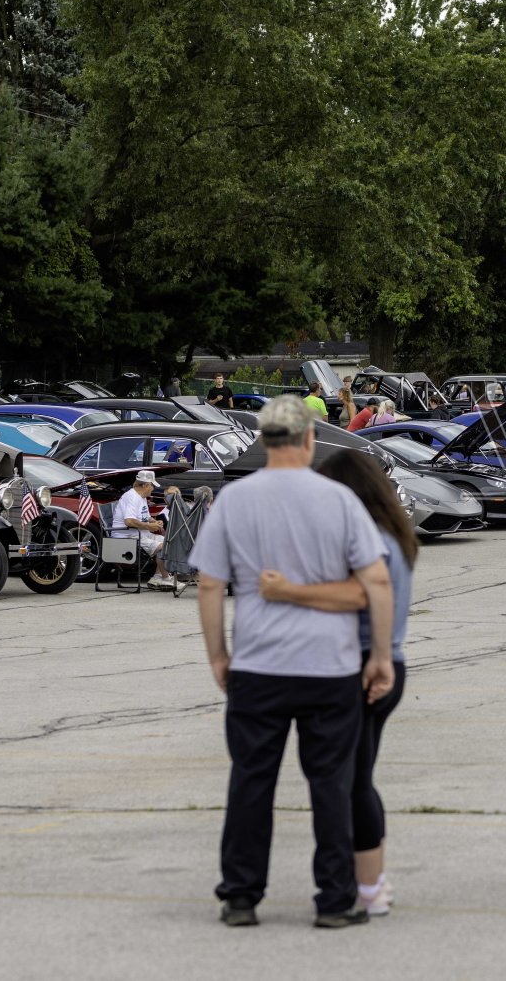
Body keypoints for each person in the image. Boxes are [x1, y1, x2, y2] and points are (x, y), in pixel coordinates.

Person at [189, 395, 395, 929]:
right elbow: (375, 581)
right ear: (308, 440)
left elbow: (210, 583)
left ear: (261, 440)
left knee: (251, 780)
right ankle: (334, 899)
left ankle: (240, 895)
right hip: (330, 666)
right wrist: (379, 657)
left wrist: (219, 655)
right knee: (329, 783)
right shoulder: (340, 501)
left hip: (259, 665)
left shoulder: (235, 501)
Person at [259, 449, 416, 918]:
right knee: (357, 777)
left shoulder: (370, 540)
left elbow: (354, 597)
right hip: (388, 661)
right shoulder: (395, 534)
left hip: (367, 662)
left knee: (351, 782)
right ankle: (372, 882)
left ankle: (370, 888)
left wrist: (288, 592)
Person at [111, 469, 174, 589]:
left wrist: (154, 522)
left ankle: (156, 578)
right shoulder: (131, 497)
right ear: (145, 485)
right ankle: (165, 578)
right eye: (152, 486)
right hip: (128, 537)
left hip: (141, 534)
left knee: (170, 540)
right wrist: (149, 526)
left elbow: (145, 516)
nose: (153, 489)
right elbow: (129, 521)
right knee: (164, 546)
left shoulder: (142, 497)